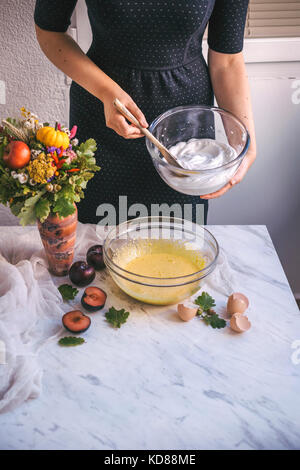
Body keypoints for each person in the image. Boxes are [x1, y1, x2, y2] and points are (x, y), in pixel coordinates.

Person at [34, 0, 256, 225]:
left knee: (178, 246)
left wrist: (247, 143)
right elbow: (49, 31)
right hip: (102, 117)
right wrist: (106, 92)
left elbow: (227, 60)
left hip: (185, 128)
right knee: (97, 245)